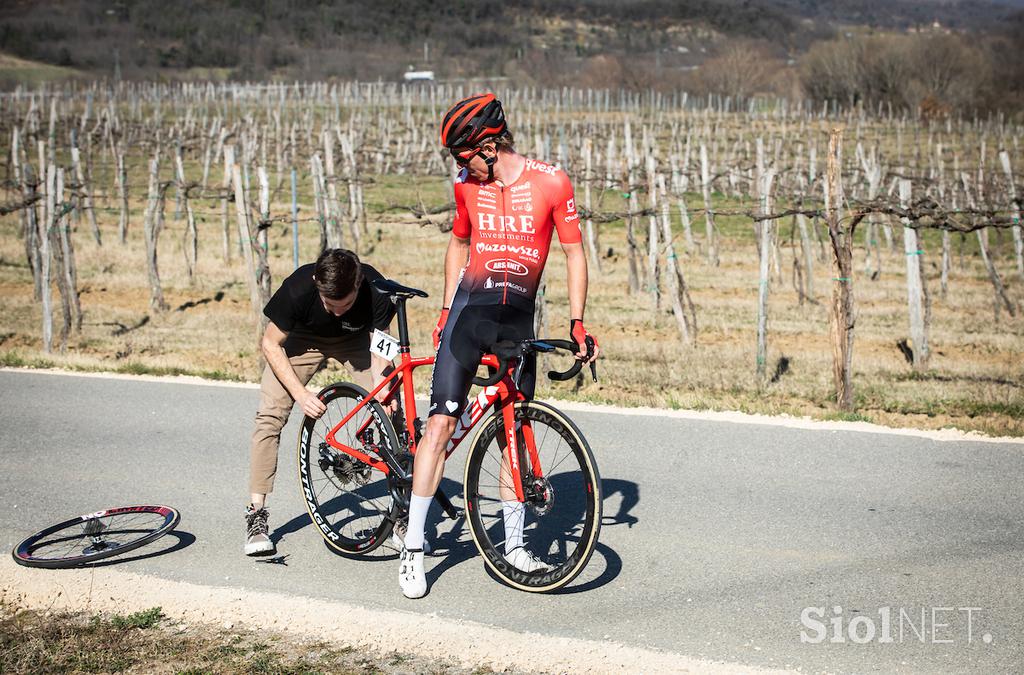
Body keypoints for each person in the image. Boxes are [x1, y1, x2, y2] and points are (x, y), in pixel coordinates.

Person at [398, 93, 601, 598]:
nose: (458, 167)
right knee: (441, 425)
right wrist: (446, 311)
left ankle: (513, 545)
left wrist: (578, 322)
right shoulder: (468, 186)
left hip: (518, 322)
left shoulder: (552, 182)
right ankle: (413, 548)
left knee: (515, 430)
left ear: (487, 144)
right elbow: (459, 244)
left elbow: (575, 255)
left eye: (460, 155)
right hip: (470, 316)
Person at [245, 248, 397, 555]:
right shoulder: (298, 287)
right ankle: (256, 514)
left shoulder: (375, 288)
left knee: (393, 410)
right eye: (330, 305)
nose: (338, 311)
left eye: (346, 305)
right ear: (317, 284)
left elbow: (382, 342)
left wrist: (382, 385)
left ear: (358, 286)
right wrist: (300, 395)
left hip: (356, 342)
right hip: (303, 341)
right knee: (270, 416)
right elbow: (270, 343)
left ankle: (402, 512)